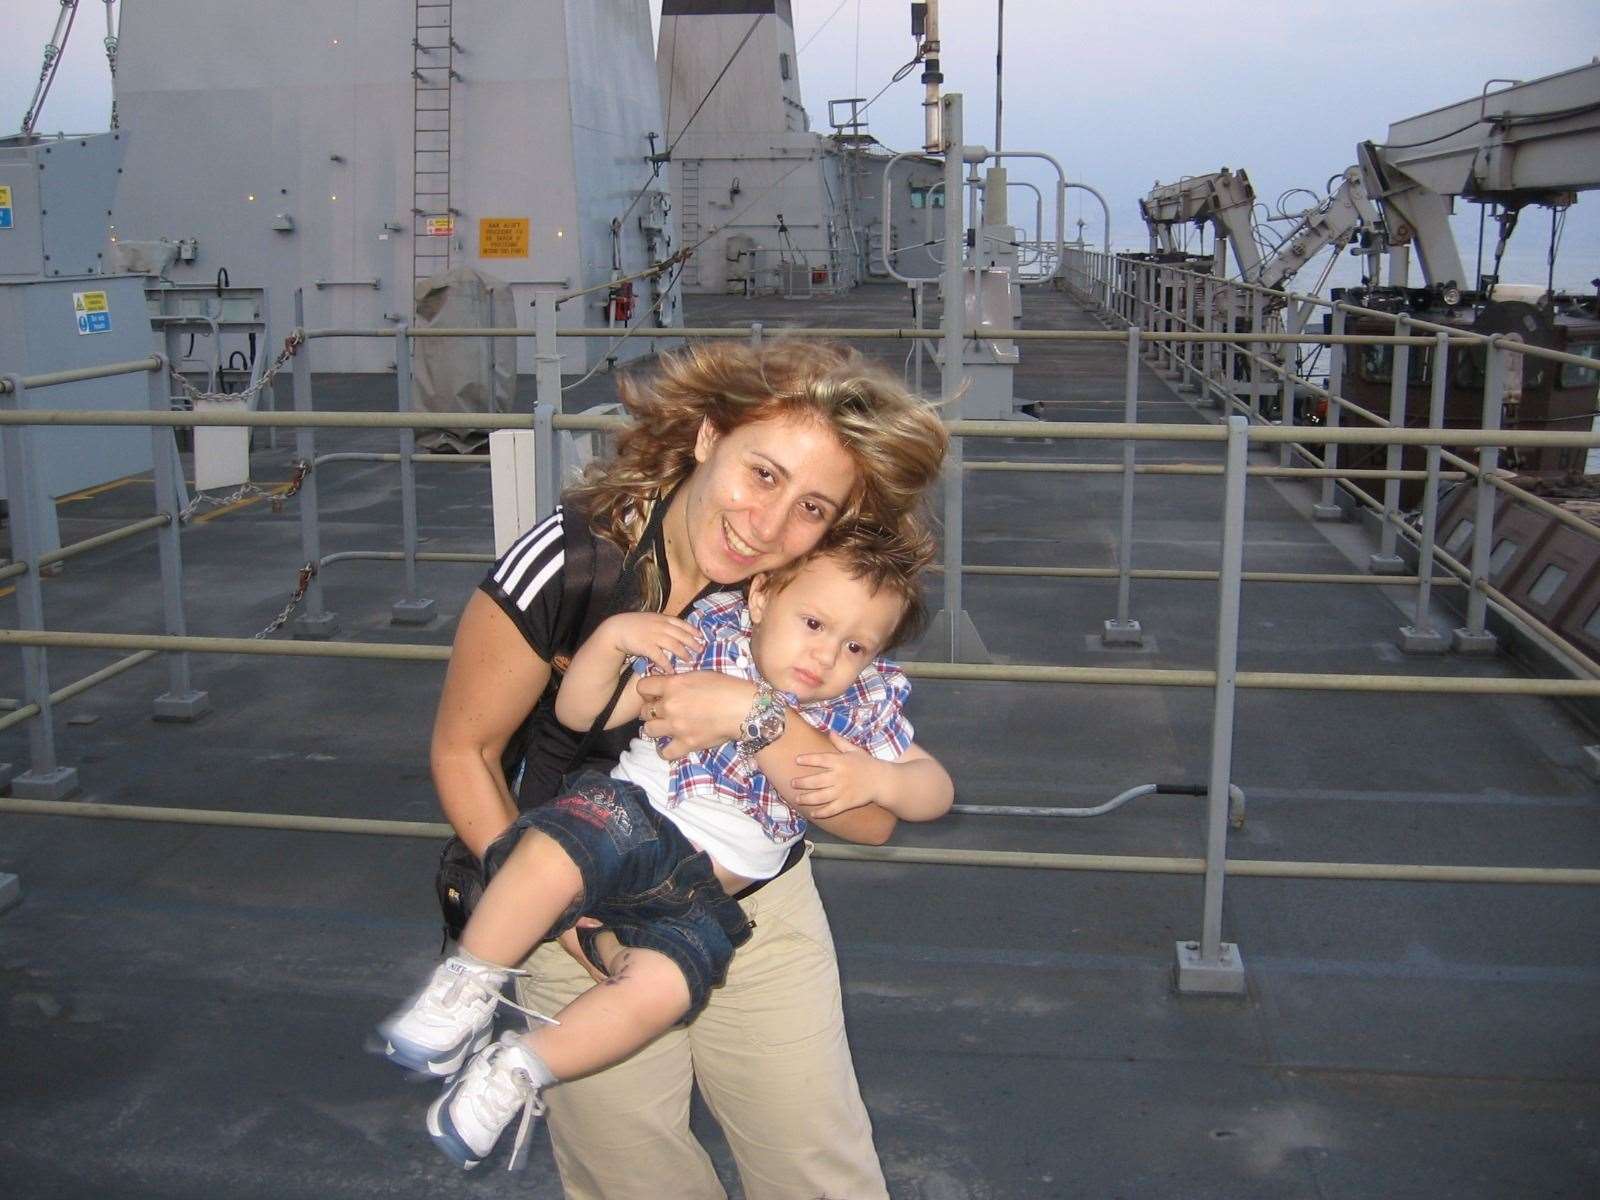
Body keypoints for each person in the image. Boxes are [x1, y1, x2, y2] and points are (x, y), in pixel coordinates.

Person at [427, 338, 948, 1199]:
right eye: (763, 474)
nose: (770, 527)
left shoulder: (800, 594)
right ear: (709, 438)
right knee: (635, 1179)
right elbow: (465, 751)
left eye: (813, 506)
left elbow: (870, 817)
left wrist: (753, 714)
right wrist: (560, 923)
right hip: (573, 895)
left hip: (756, 914)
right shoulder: (567, 562)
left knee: (818, 1172)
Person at [379, 529, 953, 1171]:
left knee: (663, 988)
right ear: (761, 596)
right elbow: (580, 711)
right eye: (814, 623)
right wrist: (610, 641)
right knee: (552, 849)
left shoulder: (861, 703)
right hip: (632, 823)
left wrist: (881, 779)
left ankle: (518, 1068)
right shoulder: (708, 642)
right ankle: (470, 979)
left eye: (855, 646)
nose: (826, 656)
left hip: (704, 897)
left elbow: (934, 790)